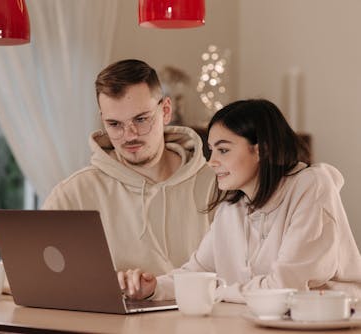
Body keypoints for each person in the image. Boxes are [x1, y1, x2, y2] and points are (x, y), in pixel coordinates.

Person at [118, 99, 361, 303]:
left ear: (261, 150)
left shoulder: (311, 186)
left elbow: (285, 289)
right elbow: (197, 273)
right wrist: (152, 288)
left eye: (223, 150)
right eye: (211, 150)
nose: (211, 162)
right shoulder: (231, 208)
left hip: (328, 324)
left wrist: (216, 291)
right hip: (254, 322)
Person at [42, 59, 216, 276]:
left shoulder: (218, 186)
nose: (130, 135)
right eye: (114, 124)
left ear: (166, 111)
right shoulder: (73, 194)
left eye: (141, 119)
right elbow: (30, 274)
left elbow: (245, 278)